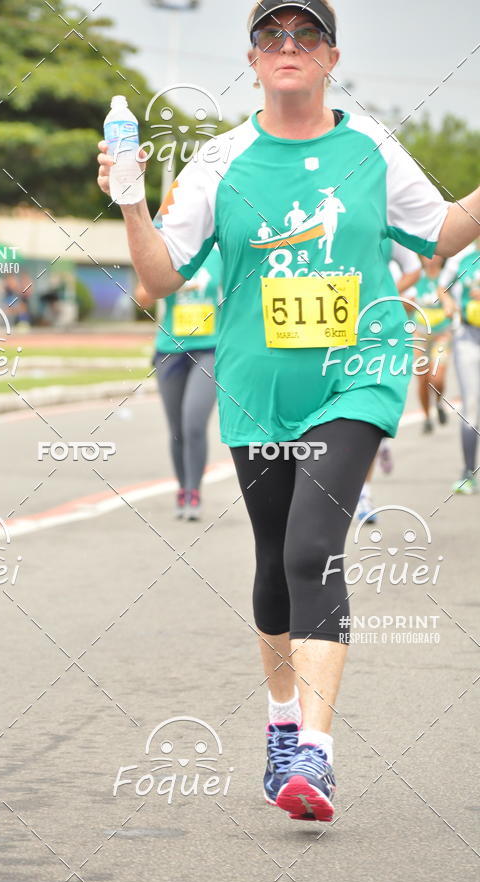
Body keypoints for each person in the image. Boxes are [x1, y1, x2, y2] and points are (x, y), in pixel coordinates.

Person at [97, 0, 480, 821]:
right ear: (252, 59)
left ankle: (315, 749)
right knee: (274, 561)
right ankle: (279, 722)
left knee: (312, 549)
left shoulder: (371, 147)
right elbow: (160, 279)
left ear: (332, 57)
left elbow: (444, 231)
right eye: (272, 34)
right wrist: (129, 201)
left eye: (307, 34)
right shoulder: (219, 160)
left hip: (358, 374)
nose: (289, 45)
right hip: (259, 388)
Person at [135, 246, 221, 520]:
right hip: (170, 350)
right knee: (177, 429)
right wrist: (161, 277)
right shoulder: (168, 252)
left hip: (209, 349)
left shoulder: (220, 253)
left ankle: (194, 491)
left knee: (193, 423)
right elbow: (142, 298)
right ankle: (183, 488)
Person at [356, 240, 422, 523]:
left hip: (380, 352)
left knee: (366, 420)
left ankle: (363, 495)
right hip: (339, 347)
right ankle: (380, 442)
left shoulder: (388, 238)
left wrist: (384, 298)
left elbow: (414, 271)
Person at [439, 238, 480, 494]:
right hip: (468, 337)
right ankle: (468, 473)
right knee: (471, 406)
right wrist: (448, 303)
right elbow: (442, 287)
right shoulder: (461, 258)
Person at [410, 254, 451, 433]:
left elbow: (452, 301)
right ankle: (427, 417)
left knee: (437, 378)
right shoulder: (415, 277)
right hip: (419, 334)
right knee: (422, 378)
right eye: (428, 255)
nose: (432, 259)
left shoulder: (447, 277)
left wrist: (450, 306)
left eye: (436, 254)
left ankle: (439, 402)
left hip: (441, 335)